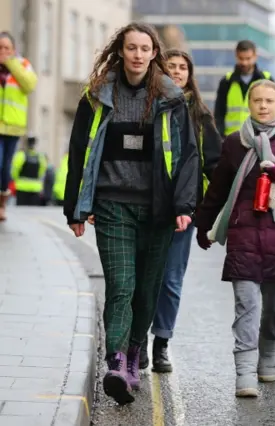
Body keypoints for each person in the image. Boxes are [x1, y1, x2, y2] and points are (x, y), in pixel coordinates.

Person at [63, 22, 199, 405]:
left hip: (157, 209)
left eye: (144, 49)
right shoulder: (97, 95)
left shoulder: (172, 99)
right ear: (120, 51)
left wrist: (184, 206)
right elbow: (79, 152)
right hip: (112, 205)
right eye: (131, 48)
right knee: (121, 285)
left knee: (147, 289)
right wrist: (75, 206)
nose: (138, 55)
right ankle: (117, 361)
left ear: (154, 53)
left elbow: (188, 156)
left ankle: (136, 350)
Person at [195, 79, 275, 398]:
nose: (263, 106)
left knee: (274, 309)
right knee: (246, 306)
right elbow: (218, 188)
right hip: (242, 234)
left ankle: (268, 357)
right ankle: (244, 372)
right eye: (257, 100)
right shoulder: (234, 142)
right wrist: (203, 225)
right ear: (249, 104)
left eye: (269, 101)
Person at [138, 49, 222, 373]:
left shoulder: (200, 115)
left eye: (182, 68)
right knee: (147, 277)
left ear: (190, 74)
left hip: (184, 211)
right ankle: (137, 342)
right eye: (170, 67)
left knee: (171, 279)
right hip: (147, 208)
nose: (176, 72)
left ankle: (161, 344)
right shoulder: (147, 107)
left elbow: (214, 165)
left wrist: (220, 209)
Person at [0, 31, 37, 220]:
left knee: (5, 167)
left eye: (7, 48)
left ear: (14, 50)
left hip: (13, 126)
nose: (3, 51)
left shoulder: (22, 64)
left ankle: (2, 203)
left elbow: (29, 85)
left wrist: (11, 63)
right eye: (0, 48)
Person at [214, 40, 273, 137]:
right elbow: (219, 114)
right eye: (241, 58)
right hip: (232, 140)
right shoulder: (226, 82)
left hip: (259, 139)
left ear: (255, 56)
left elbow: (274, 111)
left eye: (248, 58)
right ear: (236, 56)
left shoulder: (266, 79)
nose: (244, 62)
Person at [11, 136, 47, 206]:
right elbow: (42, 171)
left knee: (21, 212)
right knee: (33, 212)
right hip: (35, 188)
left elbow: (14, 170)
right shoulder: (40, 156)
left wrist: (17, 179)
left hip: (21, 187)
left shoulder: (20, 155)